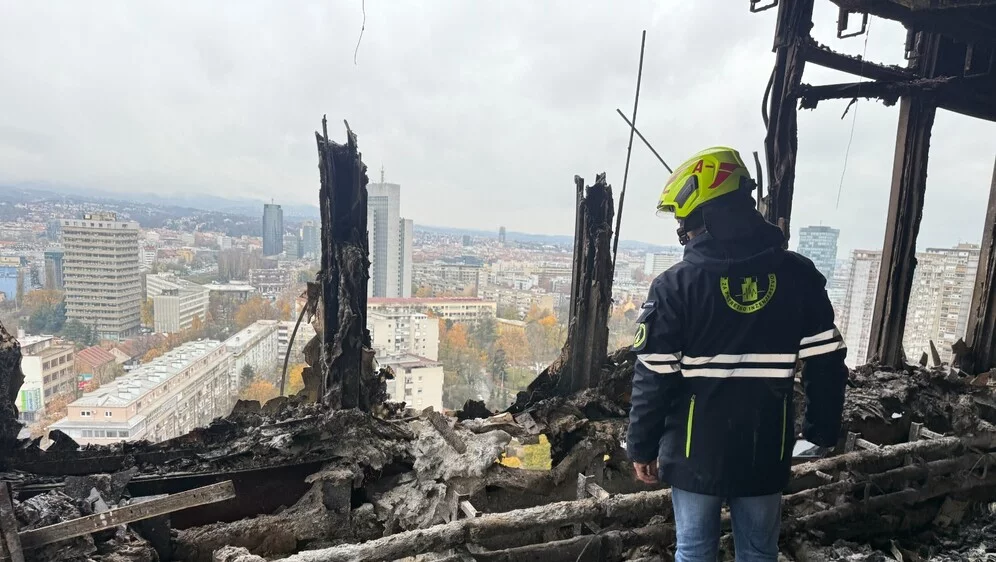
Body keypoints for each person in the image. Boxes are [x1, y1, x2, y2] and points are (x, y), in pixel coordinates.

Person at [626, 147, 848, 562]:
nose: (683, 232)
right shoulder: (799, 276)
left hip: (695, 451)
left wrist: (641, 447)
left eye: (684, 222)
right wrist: (820, 432)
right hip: (765, 447)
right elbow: (827, 363)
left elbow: (653, 378)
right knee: (760, 551)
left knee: (693, 550)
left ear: (703, 215)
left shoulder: (676, 285)